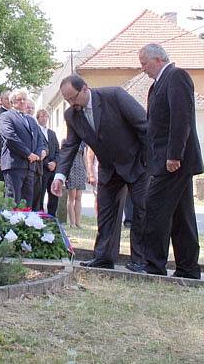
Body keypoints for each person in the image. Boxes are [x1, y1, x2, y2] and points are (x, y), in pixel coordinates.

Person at [52, 74, 149, 271]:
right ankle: (103, 257)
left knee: (141, 212)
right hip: (108, 168)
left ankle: (140, 260)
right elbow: (70, 146)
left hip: (136, 163)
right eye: (67, 100)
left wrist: (151, 160)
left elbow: (145, 126)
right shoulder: (71, 115)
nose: (71, 103)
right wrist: (60, 176)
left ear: (85, 88)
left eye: (73, 97)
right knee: (105, 213)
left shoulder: (114, 95)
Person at [138, 43, 203, 279]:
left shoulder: (176, 76)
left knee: (154, 208)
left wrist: (174, 154)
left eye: (144, 63)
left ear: (157, 59)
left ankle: (153, 265)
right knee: (181, 216)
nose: (143, 69)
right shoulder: (157, 85)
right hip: (164, 159)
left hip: (174, 161)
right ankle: (188, 268)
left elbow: (181, 117)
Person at [0, 89, 44, 205]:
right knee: (14, 201)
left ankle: (25, 223)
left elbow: (39, 139)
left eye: (25, 99)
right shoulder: (6, 116)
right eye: (19, 99)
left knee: (27, 203)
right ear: (12, 102)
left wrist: (37, 155)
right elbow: (10, 137)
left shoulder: (31, 120)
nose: (23, 102)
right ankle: (12, 224)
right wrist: (28, 154)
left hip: (30, 167)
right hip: (14, 165)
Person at [36, 109, 60, 216]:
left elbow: (57, 151)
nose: (44, 118)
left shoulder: (52, 133)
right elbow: (37, 149)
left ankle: (52, 216)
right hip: (42, 168)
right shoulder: (36, 131)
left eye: (46, 116)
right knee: (40, 194)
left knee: (53, 194)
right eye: (42, 116)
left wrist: (54, 162)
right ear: (38, 118)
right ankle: (40, 215)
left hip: (53, 170)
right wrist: (47, 164)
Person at [26, 99, 48, 210]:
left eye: (32, 108)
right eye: (28, 107)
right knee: (25, 200)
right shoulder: (17, 121)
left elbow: (42, 143)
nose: (30, 110)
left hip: (37, 168)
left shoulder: (35, 124)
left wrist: (43, 151)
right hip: (24, 166)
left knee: (36, 199)